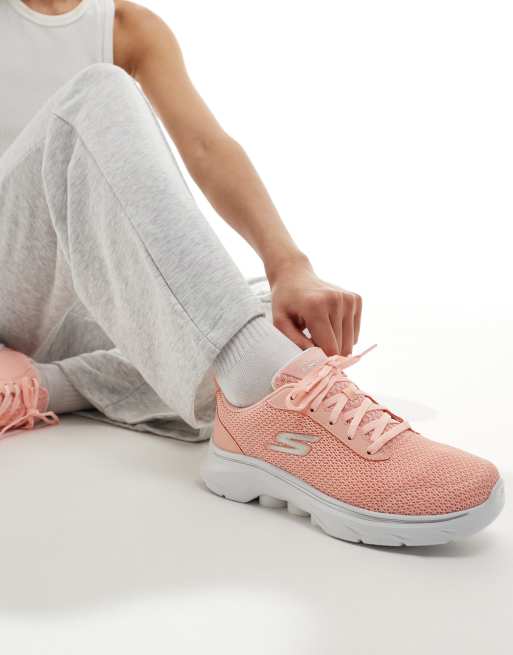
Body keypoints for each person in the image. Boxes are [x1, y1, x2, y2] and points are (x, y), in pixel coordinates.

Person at [0, 0, 504, 546]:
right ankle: (265, 399)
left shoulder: (129, 27)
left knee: (263, 316)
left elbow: (207, 147)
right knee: (98, 92)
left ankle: (46, 386)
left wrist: (290, 266)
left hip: (72, 305)